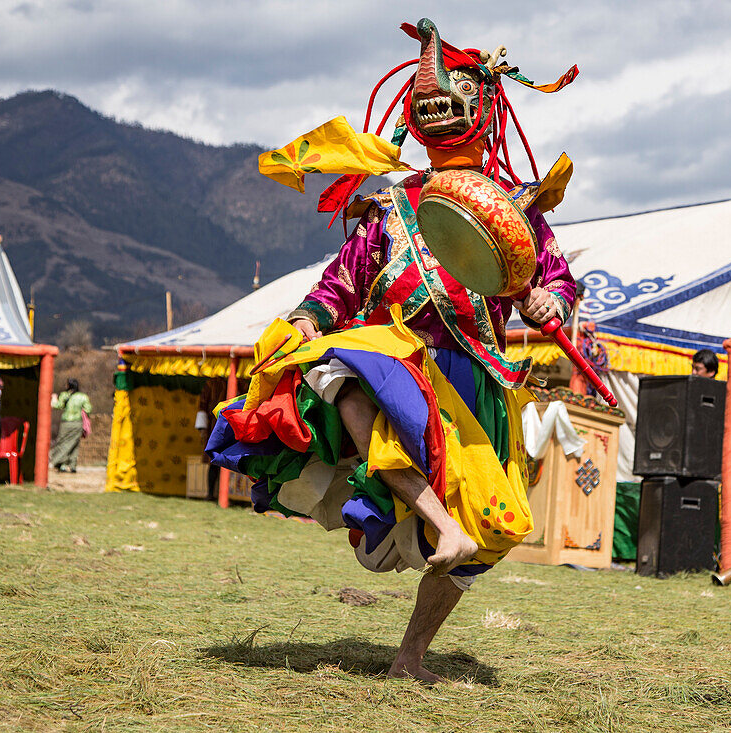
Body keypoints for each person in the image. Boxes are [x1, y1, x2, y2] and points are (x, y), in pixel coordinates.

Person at [206, 18, 579, 683]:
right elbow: (339, 287)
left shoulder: (519, 210)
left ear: (485, 111)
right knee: (340, 366)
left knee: (493, 531)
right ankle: (434, 514)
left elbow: (550, 283)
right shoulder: (388, 209)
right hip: (398, 363)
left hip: (477, 387)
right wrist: (304, 318)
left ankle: (410, 655)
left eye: (457, 96)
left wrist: (551, 301)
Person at [49, 379, 92, 473]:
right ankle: (72, 465)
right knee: (74, 444)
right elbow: (88, 409)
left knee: (63, 442)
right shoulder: (83, 397)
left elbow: (58, 406)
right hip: (77, 423)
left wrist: (54, 398)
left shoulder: (64, 395)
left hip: (66, 423)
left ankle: (61, 463)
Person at [196, 376, 227, 499]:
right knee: (214, 462)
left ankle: (227, 495)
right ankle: (210, 494)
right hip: (214, 428)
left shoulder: (240, 382)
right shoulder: (212, 384)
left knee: (227, 462)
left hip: (233, 427)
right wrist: (203, 428)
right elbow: (202, 406)